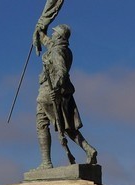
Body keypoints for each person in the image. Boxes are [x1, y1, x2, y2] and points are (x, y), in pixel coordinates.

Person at [32, 22, 97, 169]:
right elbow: (49, 42)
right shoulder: (62, 49)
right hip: (62, 92)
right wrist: (40, 33)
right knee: (68, 127)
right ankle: (89, 149)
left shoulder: (56, 52)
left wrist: (54, 87)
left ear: (60, 36)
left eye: (54, 33)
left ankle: (46, 163)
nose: (52, 35)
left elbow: (61, 72)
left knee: (41, 123)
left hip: (50, 92)